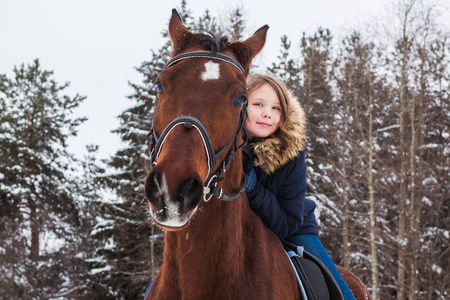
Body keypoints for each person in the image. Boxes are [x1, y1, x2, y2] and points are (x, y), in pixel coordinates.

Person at [243, 73, 356, 300]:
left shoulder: (291, 154)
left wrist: (252, 186)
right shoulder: (220, 151)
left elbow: (286, 224)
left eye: (276, 108)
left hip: (293, 229)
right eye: (258, 104)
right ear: (239, 106)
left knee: (340, 292)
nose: (267, 113)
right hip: (238, 229)